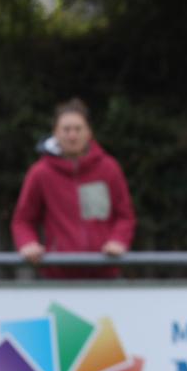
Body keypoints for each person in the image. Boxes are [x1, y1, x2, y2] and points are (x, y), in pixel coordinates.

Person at [11, 98, 136, 279]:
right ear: (55, 132)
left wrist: (118, 240)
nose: (72, 135)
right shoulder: (40, 173)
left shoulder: (109, 168)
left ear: (89, 132)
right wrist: (28, 244)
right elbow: (23, 220)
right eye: (66, 129)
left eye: (78, 129)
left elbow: (125, 216)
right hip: (58, 276)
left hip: (105, 272)